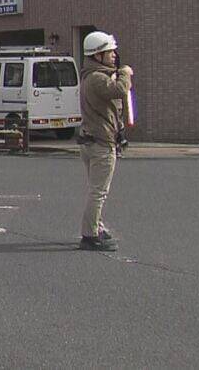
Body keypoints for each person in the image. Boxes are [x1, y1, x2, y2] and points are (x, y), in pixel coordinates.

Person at [76, 31, 132, 252]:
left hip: (91, 141)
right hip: (100, 143)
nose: (114, 55)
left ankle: (96, 227)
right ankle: (90, 235)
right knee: (98, 192)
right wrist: (125, 74)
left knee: (95, 189)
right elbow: (119, 90)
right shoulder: (97, 78)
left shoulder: (91, 76)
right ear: (97, 55)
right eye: (109, 52)